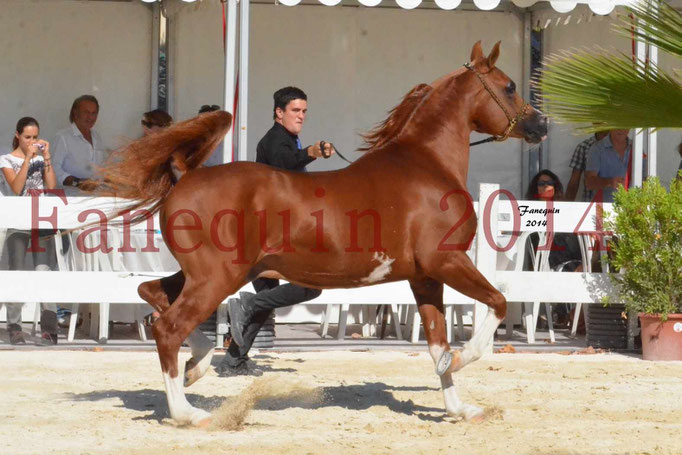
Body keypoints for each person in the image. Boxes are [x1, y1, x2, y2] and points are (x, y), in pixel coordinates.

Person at [219, 86, 334, 376]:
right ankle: (247, 304)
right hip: (270, 235)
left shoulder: (288, 140)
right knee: (310, 286)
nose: (301, 116)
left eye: (304, 111)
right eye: (296, 111)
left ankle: (234, 359)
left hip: (265, 233)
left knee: (266, 300)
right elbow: (284, 166)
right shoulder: (274, 141)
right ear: (279, 113)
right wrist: (310, 152)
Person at [0, 117, 59, 345]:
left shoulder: (41, 158)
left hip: (41, 221)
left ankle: (49, 329)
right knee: (16, 272)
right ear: (17, 135)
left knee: (44, 273)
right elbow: (16, 188)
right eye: (27, 137)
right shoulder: (6, 159)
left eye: (35, 137)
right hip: (17, 222)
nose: (32, 141)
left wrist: (46, 157)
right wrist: (27, 159)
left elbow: (52, 187)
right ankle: (14, 326)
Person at [524, 170, 583, 328]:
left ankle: (573, 315)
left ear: (555, 186)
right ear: (535, 188)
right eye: (541, 183)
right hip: (546, 259)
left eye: (549, 183)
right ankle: (567, 314)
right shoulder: (530, 209)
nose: (545, 186)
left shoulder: (564, 209)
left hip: (570, 256)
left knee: (588, 266)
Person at [51, 95, 106, 193]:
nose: (90, 117)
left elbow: (101, 168)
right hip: (71, 200)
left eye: (94, 113)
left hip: (97, 199)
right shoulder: (63, 137)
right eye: (86, 112)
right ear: (75, 113)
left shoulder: (97, 137)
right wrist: (77, 182)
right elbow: (52, 170)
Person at [585, 129, 632, 203]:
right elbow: (589, 182)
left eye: (625, 126)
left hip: (632, 208)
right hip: (604, 208)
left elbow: (646, 179)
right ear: (610, 126)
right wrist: (609, 182)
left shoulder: (636, 148)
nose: (621, 130)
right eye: (617, 126)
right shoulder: (597, 148)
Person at [565, 130, 609, 201]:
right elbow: (574, 181)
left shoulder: (624, 145)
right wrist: (566, 207)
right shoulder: (584, 146)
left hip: (615, 204)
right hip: (590, 202)